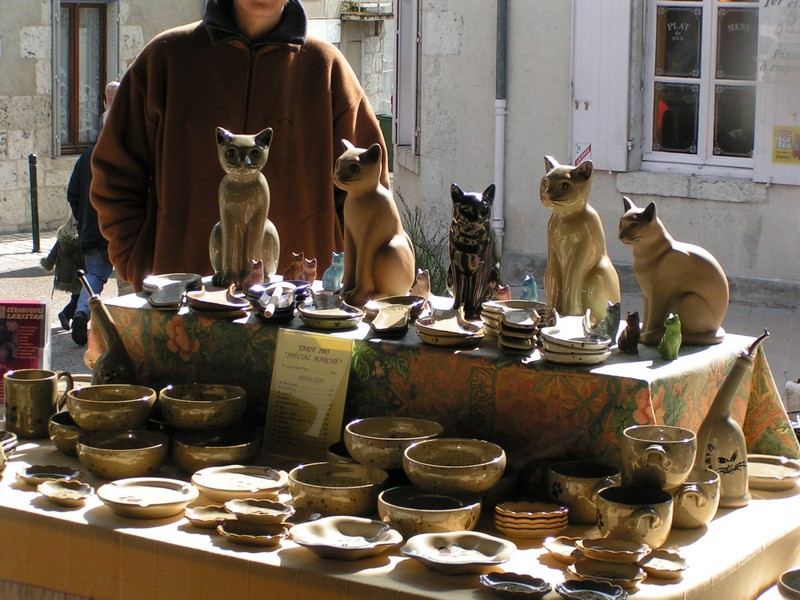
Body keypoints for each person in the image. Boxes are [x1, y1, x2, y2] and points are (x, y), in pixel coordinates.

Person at [90, 0, 389, 292]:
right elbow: (114, 177)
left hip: (301, 322)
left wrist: (347, 283)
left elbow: (369, 195)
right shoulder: (165, 60)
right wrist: (143, 266)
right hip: (183, 315)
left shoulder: (327, 70)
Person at [68, 142, 113, 346]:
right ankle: (129, 326)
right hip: (121, 226)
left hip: (92, 228)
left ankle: (81, 313)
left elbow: (73, 193)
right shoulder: (125, 150)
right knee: (131, 278)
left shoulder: (87, 155)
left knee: (94, 274)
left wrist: (82, 221)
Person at [39, 217, 85, 331]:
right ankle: (66, 314)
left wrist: (48, 264)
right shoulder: (81, 240)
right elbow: (84, 258)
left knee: (76, 295)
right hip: (78, 273)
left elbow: (52, 256)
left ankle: (71, 317)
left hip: (65, 275)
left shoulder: (61, 239)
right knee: (80, 297)